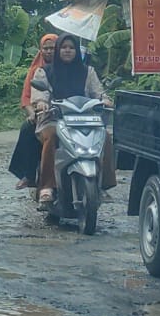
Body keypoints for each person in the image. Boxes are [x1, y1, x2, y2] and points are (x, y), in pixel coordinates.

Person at [29, 34, 116, 206]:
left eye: (71, 48)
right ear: (58, 50)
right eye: (64, 47)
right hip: (53, 119)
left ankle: (104, 183)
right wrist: (41, 103)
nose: (67, 51)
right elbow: (40, 95)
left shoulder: (87, 71)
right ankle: (47, 186)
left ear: (77, 51)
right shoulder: (45, 71)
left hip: (84, 120)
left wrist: (104, 99)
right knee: (51, 137)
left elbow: (97, 91)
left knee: (104, 136)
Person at [8, 33, 58, 189]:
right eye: (46, 48)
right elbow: (27, 97)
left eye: (53, 48)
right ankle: (29, 175)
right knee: (28, 129)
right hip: (42, 112)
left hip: (66, 113)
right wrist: (32, 113)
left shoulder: (68, 68)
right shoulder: (37, 70)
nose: (49, 51)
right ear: (41, 50)